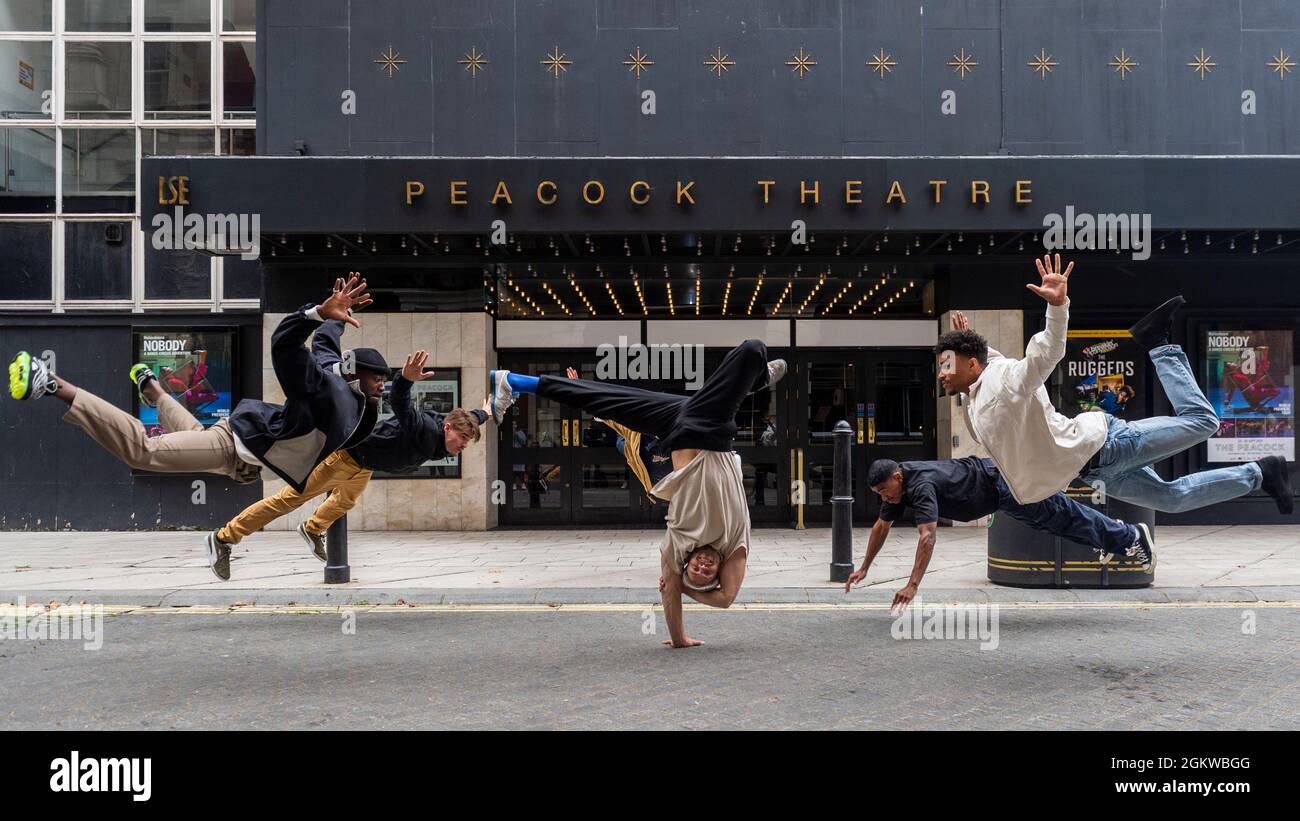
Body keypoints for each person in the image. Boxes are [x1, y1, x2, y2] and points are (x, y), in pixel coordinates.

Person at [8, 273, 391, 579]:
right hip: (236, 443)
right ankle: (54, 383)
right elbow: (285, 346)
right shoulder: (324, 388)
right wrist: (315, 313)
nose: (383, 385)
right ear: (355, 374)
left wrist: (330, 319)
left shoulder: (347, 388)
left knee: (194, 432)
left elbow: (326, 340)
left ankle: (152, 389)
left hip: (246, 463)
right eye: (378, 378)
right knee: (145, 451)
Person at [936, 255, 1294, 516]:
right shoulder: (976, 394)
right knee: (1172, 500)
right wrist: (968, 339)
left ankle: (1159, 344)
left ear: (970, 364)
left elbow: (1045, 354)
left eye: (946, 364)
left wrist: (1058, 308)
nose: (942, 374)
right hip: (1095, 470)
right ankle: (1261, 472)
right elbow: (987, 360)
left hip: (1110, 444)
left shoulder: (1006, 380)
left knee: (1204, 421)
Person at [487, 341, 787, 648]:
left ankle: (511, 382)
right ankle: (755, 380)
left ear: (687, 565)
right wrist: (690, 596)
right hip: (709, 430)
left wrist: (680, 608)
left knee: (605, 399)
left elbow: (670, 590)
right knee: (752, 350)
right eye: (707, 571)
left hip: (680, 426)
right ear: (719, 571)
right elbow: (725, 599)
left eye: (695, 570)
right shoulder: (734, 542)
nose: (702, 566)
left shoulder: (679, 543)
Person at [206, 349, 492, 573]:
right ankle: (224, 538)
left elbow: (469, 419)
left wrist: (484, 413)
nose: (464, 446)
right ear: (447, 428)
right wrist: (404, 378)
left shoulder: (450, 427)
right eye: (462, 440)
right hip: (345, 458)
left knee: (345, 501)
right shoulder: (422, 428)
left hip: (363, 466)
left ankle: (312, 529)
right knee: (289, 499)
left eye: (467, 442)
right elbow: (401, 402)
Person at [844, 456, 1157, 610]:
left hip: (1003, 483)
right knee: (1054, 523)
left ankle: (1129, 536)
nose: (884, 498)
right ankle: (1114, 539)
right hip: (1000, 492)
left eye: (885, 490)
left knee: (1062, 514)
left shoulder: (920, 485)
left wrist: (913, 585)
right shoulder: (899, 490)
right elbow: (880, 527)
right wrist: (865, 567)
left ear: (897, 477)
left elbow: (928, 536)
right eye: (879, 494)